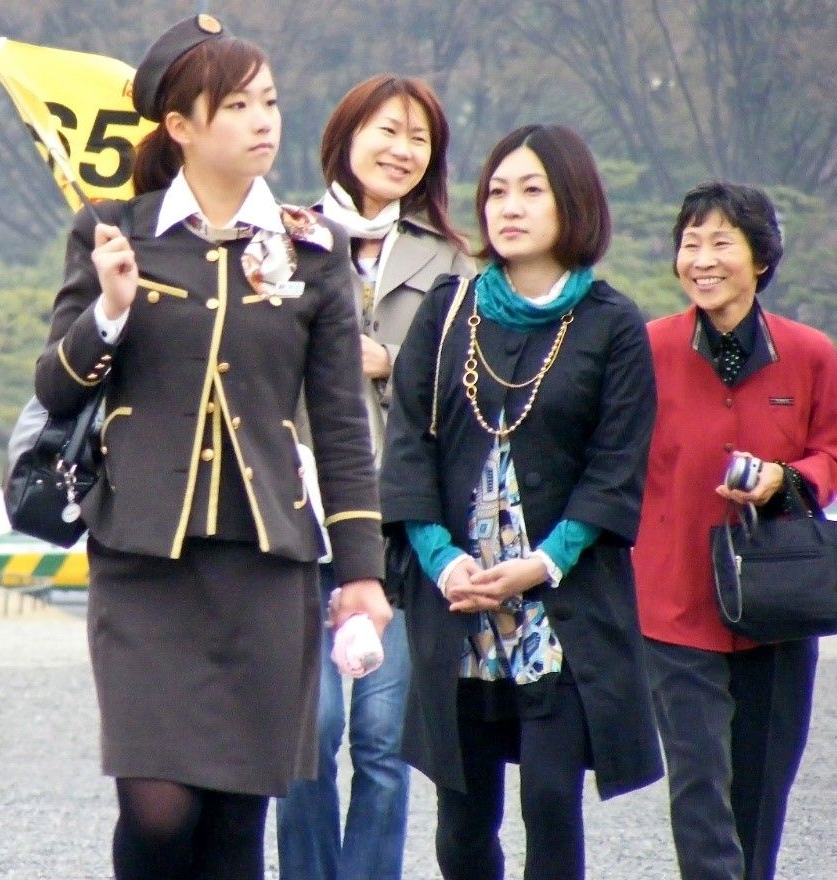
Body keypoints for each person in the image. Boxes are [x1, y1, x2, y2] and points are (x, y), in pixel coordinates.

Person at [33, 15, 388, 880]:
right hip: (144, 560)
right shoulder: (115, 231)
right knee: (157, 815)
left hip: (267, 567)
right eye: (236, 105)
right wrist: (110, 310)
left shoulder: (315, 246)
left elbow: (340, 421)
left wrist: (362, 572)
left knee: (234, 830)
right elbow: (56, 386)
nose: (264, 120)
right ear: (181, 128)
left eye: (268, 101)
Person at [379, 124, 663, 880]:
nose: (510, 206)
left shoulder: (613, 323)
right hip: (459, 601)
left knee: (548, 797)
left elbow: (616, 468)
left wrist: (539, 565)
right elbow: (407, 446)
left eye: (532, 189)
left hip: (559, 603)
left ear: (573, 202)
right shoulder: (449, 310)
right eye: (498, 189)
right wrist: (442, 563)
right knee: (462, 821)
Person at [276, 74, 474, 880]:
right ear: (346, 134)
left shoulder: (447, 259)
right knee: (311, 732)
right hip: (298, 518)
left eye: (418, 139)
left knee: (385, 742)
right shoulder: (282, 237)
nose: (400, 150)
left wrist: (390, 365)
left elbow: (470, 389)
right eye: (387, 130)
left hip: (396, 529)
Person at [633, 182, 837, 880]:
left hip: (778, 600)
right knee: (699, 782)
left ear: (761, 258)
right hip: (675, 599)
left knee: (760, 791)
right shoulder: (647, 348)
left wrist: (788, 479)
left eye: (722, 242)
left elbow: (832, 450)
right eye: (691, 243)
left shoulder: (810, 353)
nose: (703, 259)